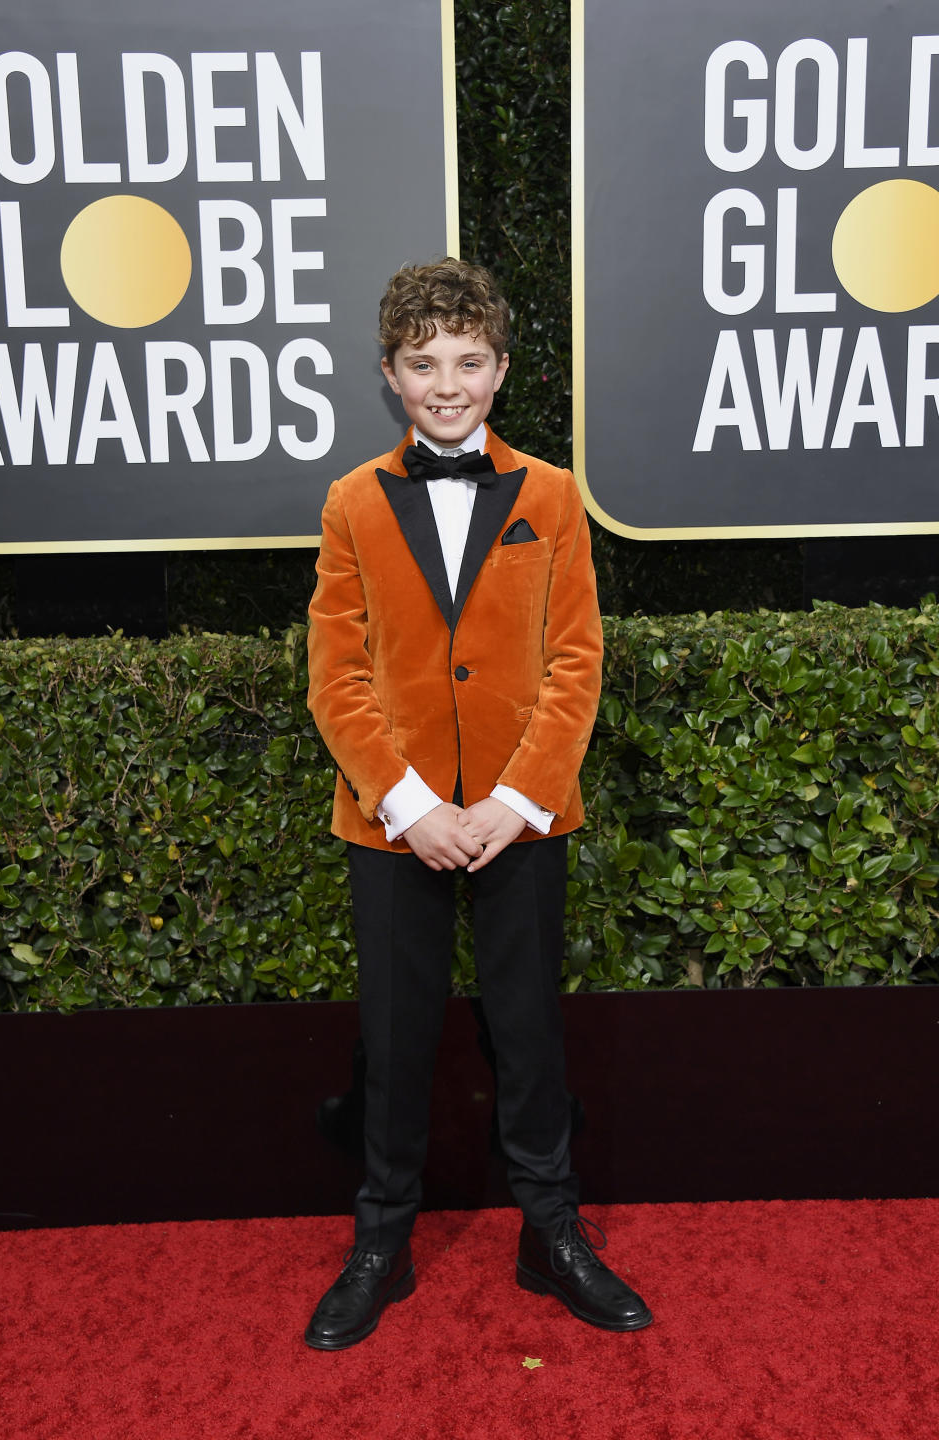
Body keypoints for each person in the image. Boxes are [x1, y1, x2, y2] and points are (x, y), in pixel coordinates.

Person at [304, 257, 652, 1349]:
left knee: (528, 1032)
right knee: (396, 1039)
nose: (445, 383)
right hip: (394, 822)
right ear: (390, 376)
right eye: (422, 364)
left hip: (519, 817)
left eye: (466, 361)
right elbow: (336, 676)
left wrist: (514, 801)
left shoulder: (549, 496)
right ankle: (381, 1242)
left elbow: (576, 660)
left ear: (500, 369)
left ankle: (551, 1233)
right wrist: (410, 803)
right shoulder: (353, 501)